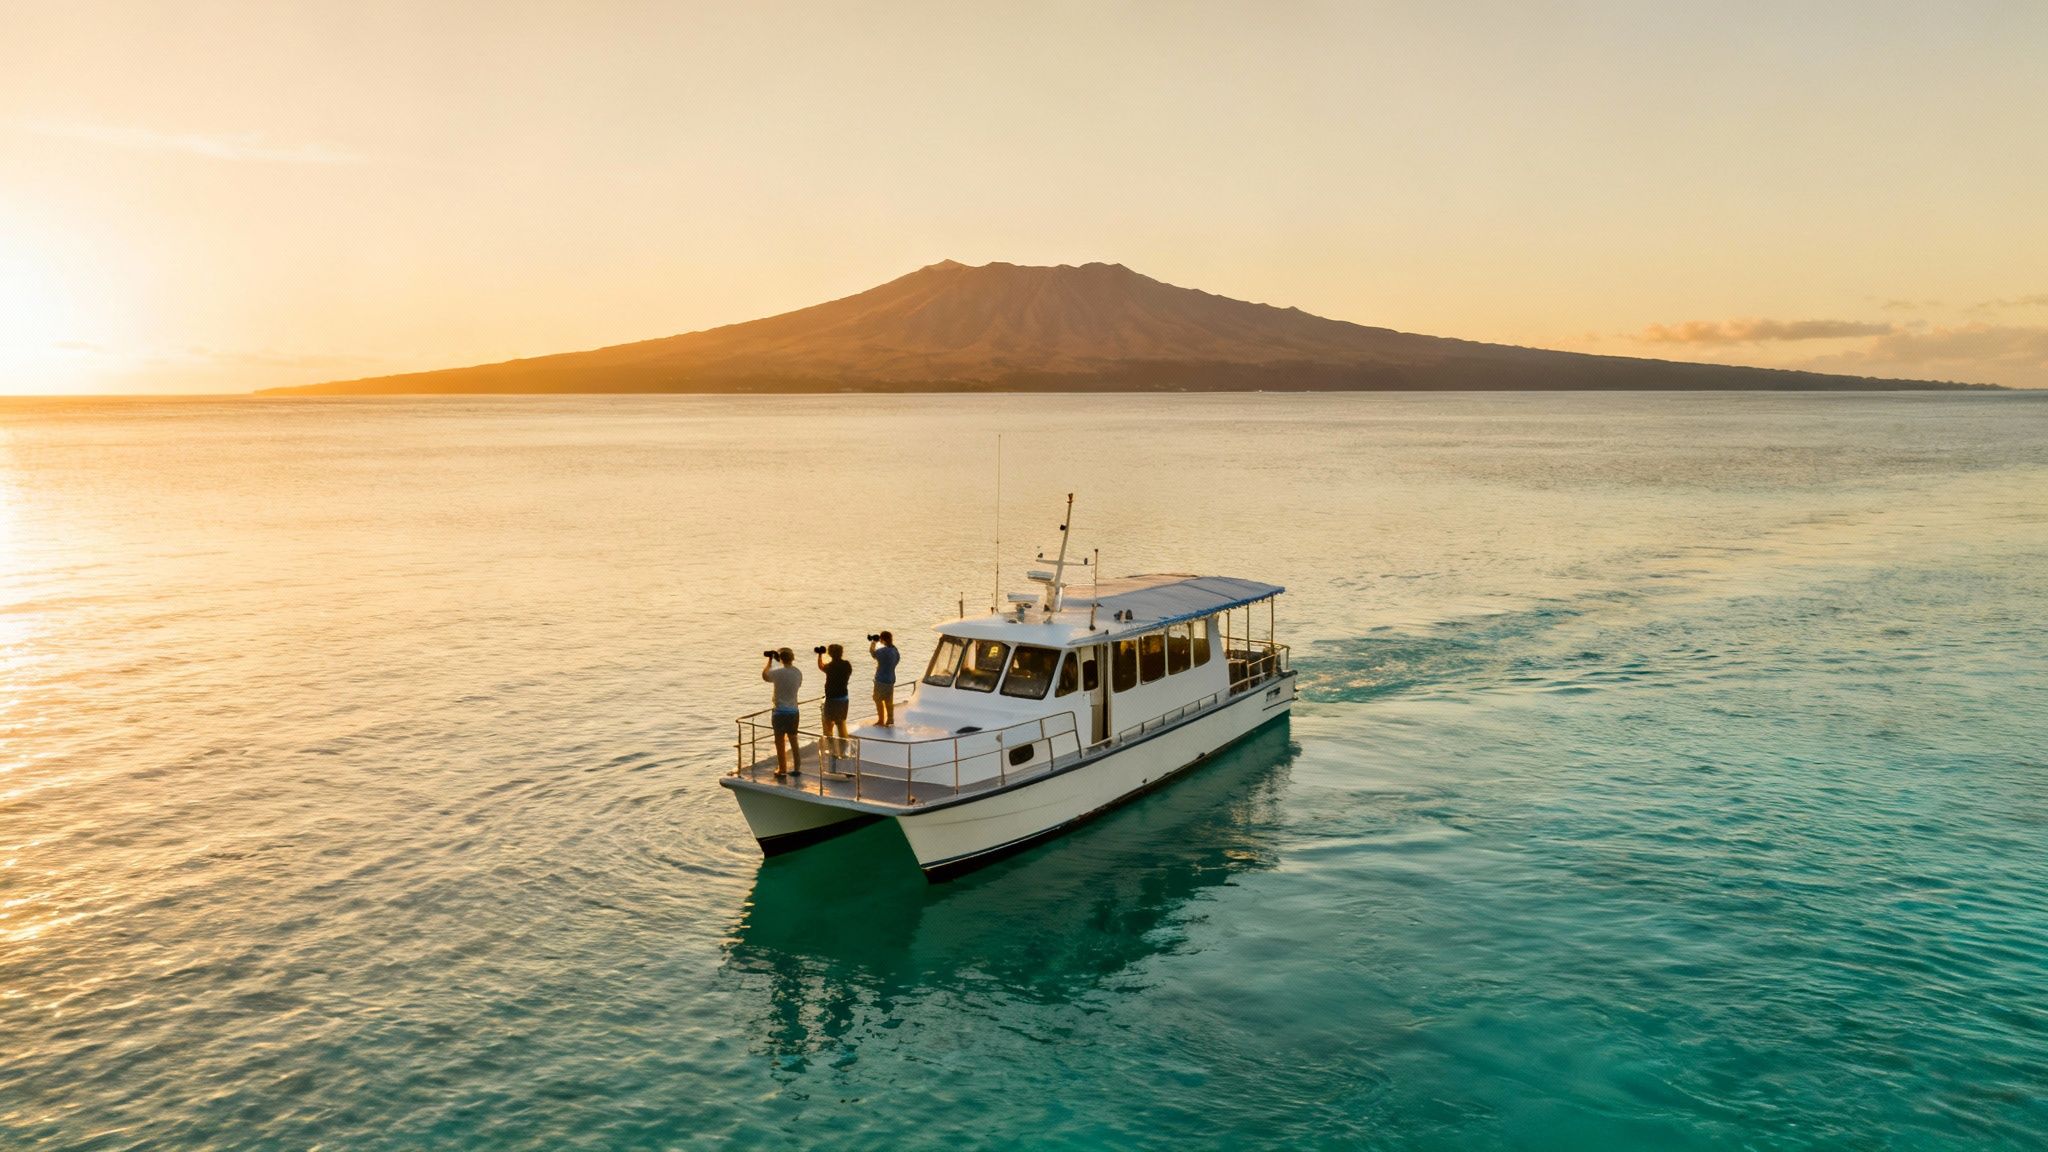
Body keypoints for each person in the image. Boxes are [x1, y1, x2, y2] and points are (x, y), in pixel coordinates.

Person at [761, 648, 802, 776]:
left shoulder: (777, 672)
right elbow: (798, 685)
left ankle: (782, 769)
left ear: (781, 659)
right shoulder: (798, 672)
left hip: (779, 712)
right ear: (792, 658)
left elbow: (765, 676)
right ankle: (797, 767)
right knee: (794, 740)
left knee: (780, 741)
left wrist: (770, 661)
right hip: (793, 711)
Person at [817, 643, 853, 761]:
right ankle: (844, 751)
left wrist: (819, 655)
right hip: (843, 698)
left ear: (830, 654)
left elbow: (821, 666)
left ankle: (832, 750)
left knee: (828, 724)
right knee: (841, 723)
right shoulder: (847, 665)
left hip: (832, 699)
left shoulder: (830, 667)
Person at [869, 630, 900, 727]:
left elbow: (872, 653)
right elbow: (897, 660)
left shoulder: (883, 651)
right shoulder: (895, 651)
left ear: (883, 639)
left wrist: (874, 642)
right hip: (891, 679)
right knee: (888, 701)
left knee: (878, 700)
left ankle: (881, 720)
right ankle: (890, 719)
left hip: (881, 680)